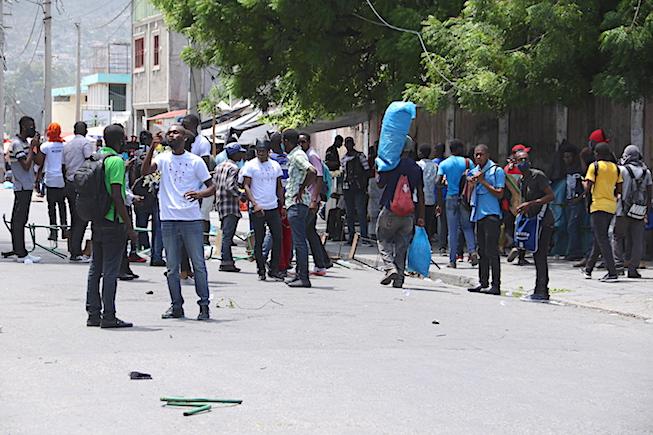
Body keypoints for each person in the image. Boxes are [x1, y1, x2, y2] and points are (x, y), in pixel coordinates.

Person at [141, 125, 216, 321]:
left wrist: (199, 194)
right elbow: (145, 171)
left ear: (185, 138)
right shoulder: (163, 158)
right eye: (170, 133)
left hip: (191, 219)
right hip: (168, 219)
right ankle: (176, 306)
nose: (172, 135)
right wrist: (152, 147)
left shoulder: (195, 161)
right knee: (172, 267)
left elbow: (211, 186)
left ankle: (204, 305)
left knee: (198, 265)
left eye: (176, 132)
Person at [85, 124, 138, 328]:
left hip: (97, 219)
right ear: (119, 140)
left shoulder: (95, 157)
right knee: (110, 270)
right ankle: (109, 315)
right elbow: (117, 195)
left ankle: (93, 314)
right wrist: (129, 226)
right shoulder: (115, 161)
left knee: (95, 268)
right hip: (113, 221)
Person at [376, 136, 425, 288]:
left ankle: (390, 267)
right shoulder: (416, 168)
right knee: (402, 246)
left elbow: (380, 184)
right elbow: (420, 193)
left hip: (390, 209)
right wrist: (421, 216)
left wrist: (379, 167)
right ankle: (399, 279)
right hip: (409, 212)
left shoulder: (391, 164)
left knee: (382, 239)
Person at [513, 150, 555, 302]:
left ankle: (542, 289)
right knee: (535, 254)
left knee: (540, 255)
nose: (523, 162)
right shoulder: (521, 180)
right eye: (520, 160)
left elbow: (550, 196)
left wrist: (531, 204)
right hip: (532, 221)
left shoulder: (538, 176)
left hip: (543, 221)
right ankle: (539, 288)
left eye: (525, 159)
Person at [241, 140, 285, 280]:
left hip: (272, 207)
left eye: (263, 151)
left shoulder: (275, 165)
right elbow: (246, 186)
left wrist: (282, 204)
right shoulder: (250, 166)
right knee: (259, 239)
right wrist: (254, 204)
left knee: (278, 237)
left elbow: (279, 186)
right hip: (258, 208)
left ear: (268, 152)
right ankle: (261, 269)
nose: (260, 154)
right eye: (258, 151)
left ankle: (274, 268)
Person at [466, 145, 505, 295]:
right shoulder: (474, 171)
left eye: (481, 154)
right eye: (476, 155)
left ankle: (496, 285)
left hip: (491, 214)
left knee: (492, 251)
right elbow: (468, 196)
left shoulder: (496, 171)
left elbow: (499, 193)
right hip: (478, 214)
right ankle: (483, 282)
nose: (478, 157)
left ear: (487, 155)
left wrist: (483, 182)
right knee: (481, 250)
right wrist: (470, 183)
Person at [582, 142, 622, 282]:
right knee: (599, 238)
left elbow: (588, 187)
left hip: (597, 206)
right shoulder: (616, 168)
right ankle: (588, 269)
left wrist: (583, 184)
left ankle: (612, 272)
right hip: (611, 207)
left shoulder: (594, 166)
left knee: (602, 239)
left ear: (597, 154)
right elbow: (619, 189)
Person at [283, 129, 317, 288]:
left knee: (299, 242)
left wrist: (302, 189)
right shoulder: (296, 155)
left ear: (286, 142)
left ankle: (303, 277)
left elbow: (312, 171)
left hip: (297, 204)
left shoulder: (297, 155)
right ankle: (298, 274)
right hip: (296, 203)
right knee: (298, 241)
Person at [435, 139, 477, 268]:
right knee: (467, 227)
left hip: (450, 197)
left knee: (452, 230)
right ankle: (472, 251)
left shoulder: (444, 164)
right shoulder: (467, 162)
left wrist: (439, 202)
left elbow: (437, 182)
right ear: (459, 149)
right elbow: (475, 178)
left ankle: (452, 260)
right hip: (464, 199)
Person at [613, 145, 651, 278]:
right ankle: (633, 268)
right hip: (639, 210)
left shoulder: (621, 170)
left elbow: (616, 188)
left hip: (622, 209)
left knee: (618, 237)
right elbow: (649, 192)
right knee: (637, 240)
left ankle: (618, 265)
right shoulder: (646, 172)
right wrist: (646, 210)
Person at [8, 116, 41, 263]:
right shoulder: (16, 144)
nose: (33, 129)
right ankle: (20, 252)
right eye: (31, 126)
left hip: (27, 185)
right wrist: (32, 148)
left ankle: (20, 250)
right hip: (21, 186)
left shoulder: (25, 143)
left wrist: (36, 147)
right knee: (18, 220)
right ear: (24, 127)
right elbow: (26, 165)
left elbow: (38, 161)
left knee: (22, 219)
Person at [299, 132, 332, 275]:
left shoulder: (312, 156)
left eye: (303, 142)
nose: (301, 145)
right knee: (310, 231)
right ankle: (323, 261)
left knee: (306, 231)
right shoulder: (306, 155)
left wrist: (314, 200)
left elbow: (319, 178)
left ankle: (321, 263)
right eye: (299, 142)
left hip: (312, 199)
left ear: (309, 142)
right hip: (309, 199)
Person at [63, 121, 94, 262]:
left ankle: (73, 249)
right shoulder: (85, 143)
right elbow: (89, 161)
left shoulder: (67, 145)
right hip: (81, 184)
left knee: (74, 217)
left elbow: (63, 165)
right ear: (85, 131)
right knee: (82, 218)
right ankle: (76, 252)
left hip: (69, 182)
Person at [182, 114, 215, 245]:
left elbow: (205, 164)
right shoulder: (184, 141)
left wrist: (201, 187)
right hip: (186, 183)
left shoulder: (202, 142)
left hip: (200, 184)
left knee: (202, 214)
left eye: (186, 126)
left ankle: (204, 240)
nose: (184, 128)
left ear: (194, 126)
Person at [215, 142, 247, 272]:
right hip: (230, 205)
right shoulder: (233, 168)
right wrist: (241, 195)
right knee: (228, 235)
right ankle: (226, 261)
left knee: (224, 233)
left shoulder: (219, 166)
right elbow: (230, 186)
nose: (241, 155)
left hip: (221, 203)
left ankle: (226, 259)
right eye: (240, 153)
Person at [38, 122, 67, 241]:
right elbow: (65, 163)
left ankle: (53, 232)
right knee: (62, 205)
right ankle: (64, 230)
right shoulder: (64, 145)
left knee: (51, 207)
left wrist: (37, 178)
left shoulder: (45, 146)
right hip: (61, 178)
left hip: (50, 178)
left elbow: (40, 163)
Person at [559, 142, 586, 261]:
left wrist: (578, 199)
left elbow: (585, 188)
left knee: (573, 227)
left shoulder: (579, 172)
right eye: (564, 157)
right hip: (569, 202)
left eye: (568, 157)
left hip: (577, 203)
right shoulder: (566, 170)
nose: (566, 159)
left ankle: (575, 252)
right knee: (569, 227)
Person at [341, 136, 370, 245]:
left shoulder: (360, 156)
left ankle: (364, 237)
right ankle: (351, 237)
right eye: (346, 143)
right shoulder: (344, 159)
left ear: (353, 144)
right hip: (348, 188)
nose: (348, 145)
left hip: (358, 188)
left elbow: (367, 171)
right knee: (350, 213)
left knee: (361, 212)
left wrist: (363, 185)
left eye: (350, 143)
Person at [415, 144, 437, 240]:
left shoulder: (417, 165)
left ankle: (418, 241)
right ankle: (427, 241)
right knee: (428, 223)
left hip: (419, 198)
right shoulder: (434, 166)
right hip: (431, 197)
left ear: (420, 153)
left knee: (418, 222)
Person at [432, 143, 447, 252]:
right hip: (447, 193)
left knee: (441, 221)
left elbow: (436, 182)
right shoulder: (446, 162)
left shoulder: (434, 163)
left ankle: (442, 245)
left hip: (437, 194)